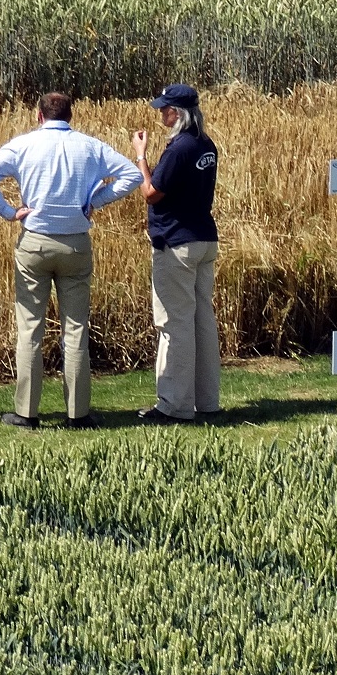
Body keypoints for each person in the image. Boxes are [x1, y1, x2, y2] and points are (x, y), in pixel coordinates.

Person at [0, 91, 142, 429]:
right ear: (71, 116)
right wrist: (96, 200)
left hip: (34, 241)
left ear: (39, 116)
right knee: (76, 329)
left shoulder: (24, 145)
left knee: (30, 328)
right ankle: (77, 413)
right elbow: (132, 175)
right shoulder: (90, 146)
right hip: (75, 243)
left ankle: (26, 413)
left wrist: (9, 211)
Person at [131, 84, 221, 425]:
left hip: (177, 244)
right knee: (202, 320)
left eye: (166, 109)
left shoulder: (179, 148)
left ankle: (174, 406)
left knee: (174, 322)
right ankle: (206, 401)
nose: (161, 114)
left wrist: (141, 155)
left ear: (179, 113)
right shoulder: (205, 145)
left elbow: (151, 193)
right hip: (203, 239)